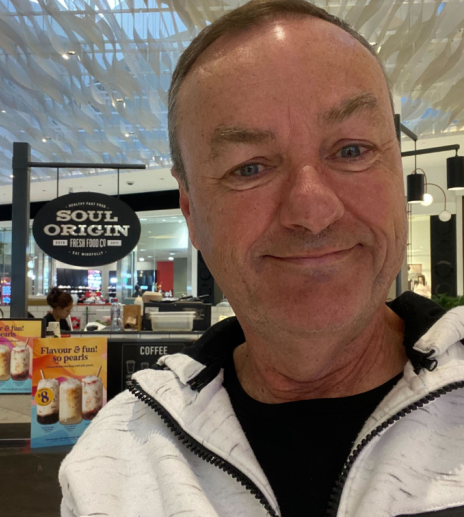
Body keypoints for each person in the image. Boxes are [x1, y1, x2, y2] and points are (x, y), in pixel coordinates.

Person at [59, 2, 464, 516]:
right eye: (250, 168)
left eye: (352, 151)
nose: (313, 212)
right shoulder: (114, 463)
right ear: (191, 212)